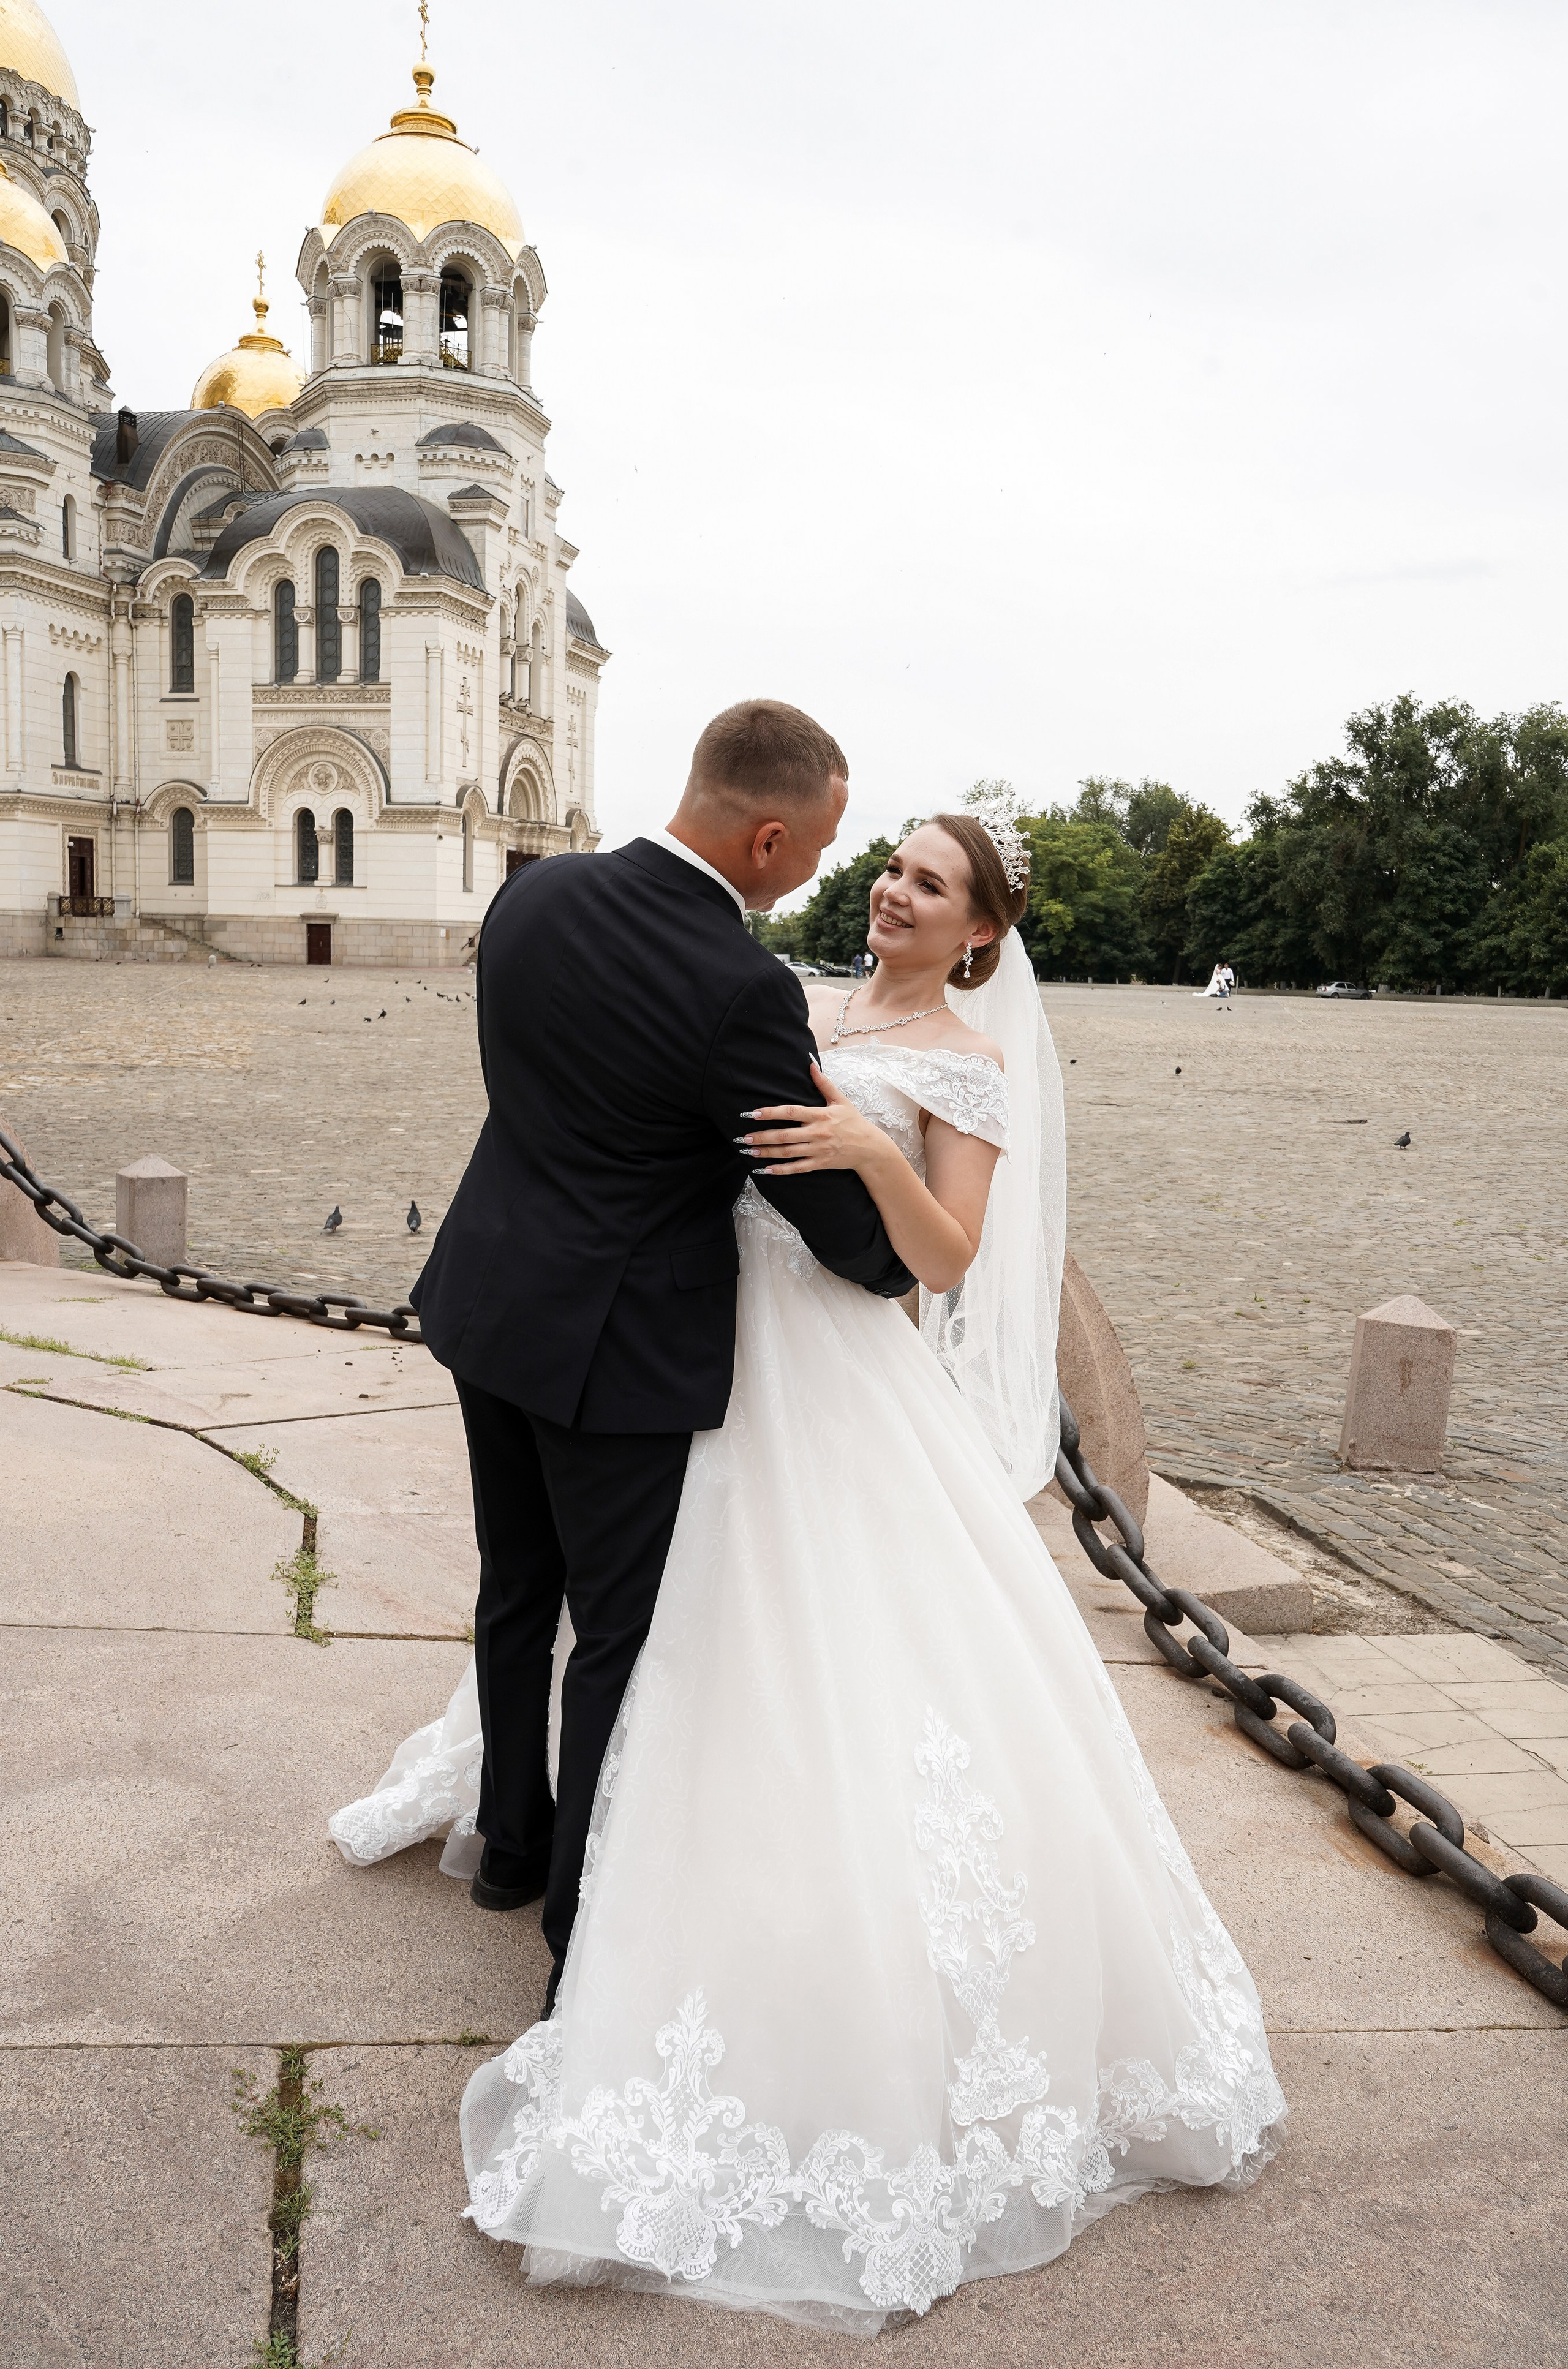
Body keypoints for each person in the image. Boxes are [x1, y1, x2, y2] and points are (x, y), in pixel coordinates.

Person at [331, 786, 1285, 2332]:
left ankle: (693, 1895)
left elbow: (946, 1258)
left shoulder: (966, 1071)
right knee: (649, 1620)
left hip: (830, 1374)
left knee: (803, 1647)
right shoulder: (777, 992)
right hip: (693, 1349)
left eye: (928, 884)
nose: (892, 895)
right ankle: (587, 1841)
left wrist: (867, 1145)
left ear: (982, 934)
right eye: (890, 869)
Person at [391, 701, 912, 2005]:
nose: (820, 868)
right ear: (770, 836)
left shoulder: (533, 896)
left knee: (516, 1586)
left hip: (487, 1296)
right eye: (822, 844)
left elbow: (539, 1092)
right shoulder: (740, 988)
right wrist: (897, 1245)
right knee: (616, 1632)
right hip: (614, 1348)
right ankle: (582, 1924)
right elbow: (816, 1200)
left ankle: (511, 1848)